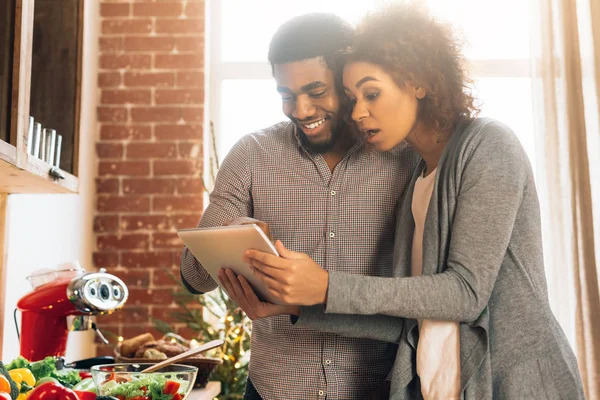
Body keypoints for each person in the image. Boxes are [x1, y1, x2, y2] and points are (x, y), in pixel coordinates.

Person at [237, 4, 585, 399]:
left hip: (516, 387)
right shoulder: (416, 181)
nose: (359, 112)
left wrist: (328, 286)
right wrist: (299, 307)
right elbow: (410, 322)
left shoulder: (490, 145)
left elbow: (465, 294)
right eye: (352, 98)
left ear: (417, 81)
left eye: (372, 93)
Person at [180, 12, 418, 400]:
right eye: (286, 95)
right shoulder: (252, 154)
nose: (301, 110)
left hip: (376, 387)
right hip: (273, 388)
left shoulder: (402, 156)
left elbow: (419, 293)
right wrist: (232, 232)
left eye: (316, 91)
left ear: (346, 82)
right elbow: (193, 277)